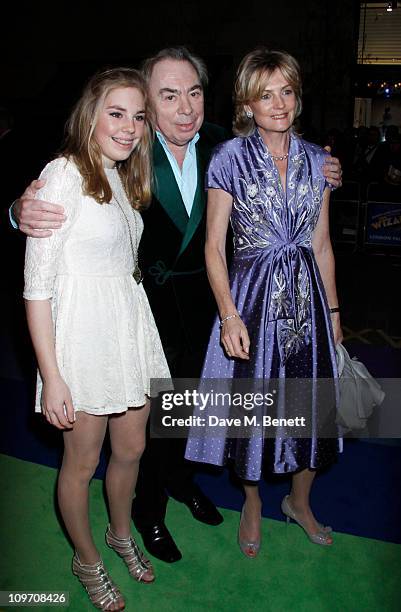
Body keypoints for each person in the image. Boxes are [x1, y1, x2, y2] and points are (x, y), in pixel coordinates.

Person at [11, 47, 343, 564]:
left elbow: (281, 166)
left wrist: (326, 172)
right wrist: (17, 211)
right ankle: (148, 511)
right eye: (168, 95)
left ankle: (183, 483)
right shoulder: (127, 146)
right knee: (145, 429)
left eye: (194, 93)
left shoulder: (222, 146)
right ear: (146, 103)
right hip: (143, 311)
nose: (186, 107)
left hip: (213, 308)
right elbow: (63, 184)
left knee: (193, 416)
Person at [185, 48, 343, 557]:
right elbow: (213, 245)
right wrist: (229, 313)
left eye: (287, 92)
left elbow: (321, 245)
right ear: (247, 104)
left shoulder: (320, 161)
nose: (278, 104)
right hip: (251, 299)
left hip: (309, 305)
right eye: (265, 94)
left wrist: (336, 315)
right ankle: (251, 500)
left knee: (311, 408)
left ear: (297, 97)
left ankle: (300, 501)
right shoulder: (229, 157)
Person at [23, 67, 170, 610]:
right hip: (81, 343)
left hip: (126, 331)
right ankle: (86, 560)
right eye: (116, 113)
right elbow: (36, 289)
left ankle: (119, 535)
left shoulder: (123, 179)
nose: (129, 127)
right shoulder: (63, 173)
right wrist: (53, 375)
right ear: (91, 114)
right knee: (81, 465)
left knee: (131, 449)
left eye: (137, 116)